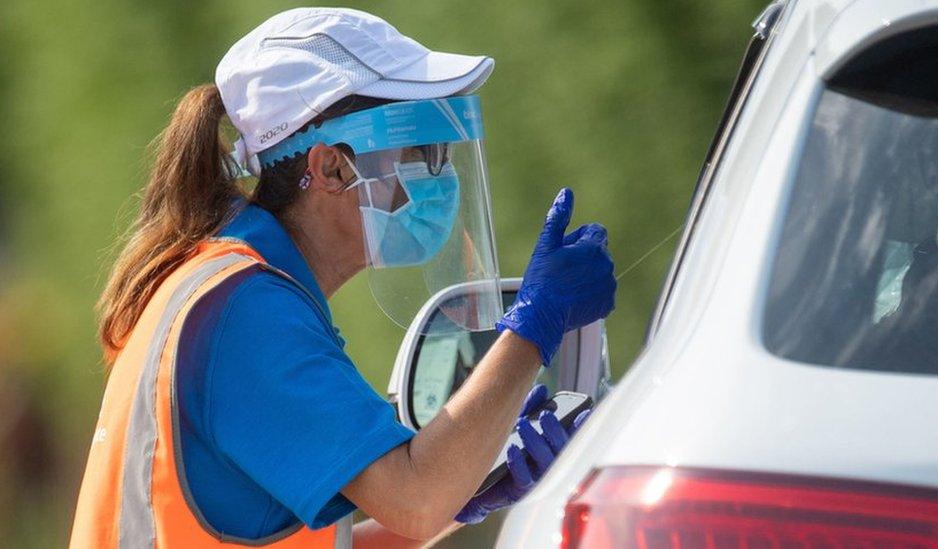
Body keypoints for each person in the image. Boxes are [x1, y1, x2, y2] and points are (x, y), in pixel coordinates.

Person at [69, 7, 616, 548]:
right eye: (423, 154)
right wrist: (536, 323)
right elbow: (416, 498)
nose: (443, 176)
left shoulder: (234, 290)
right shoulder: (245, 313)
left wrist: (467, 496)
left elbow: (361, 526)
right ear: (330, 168)